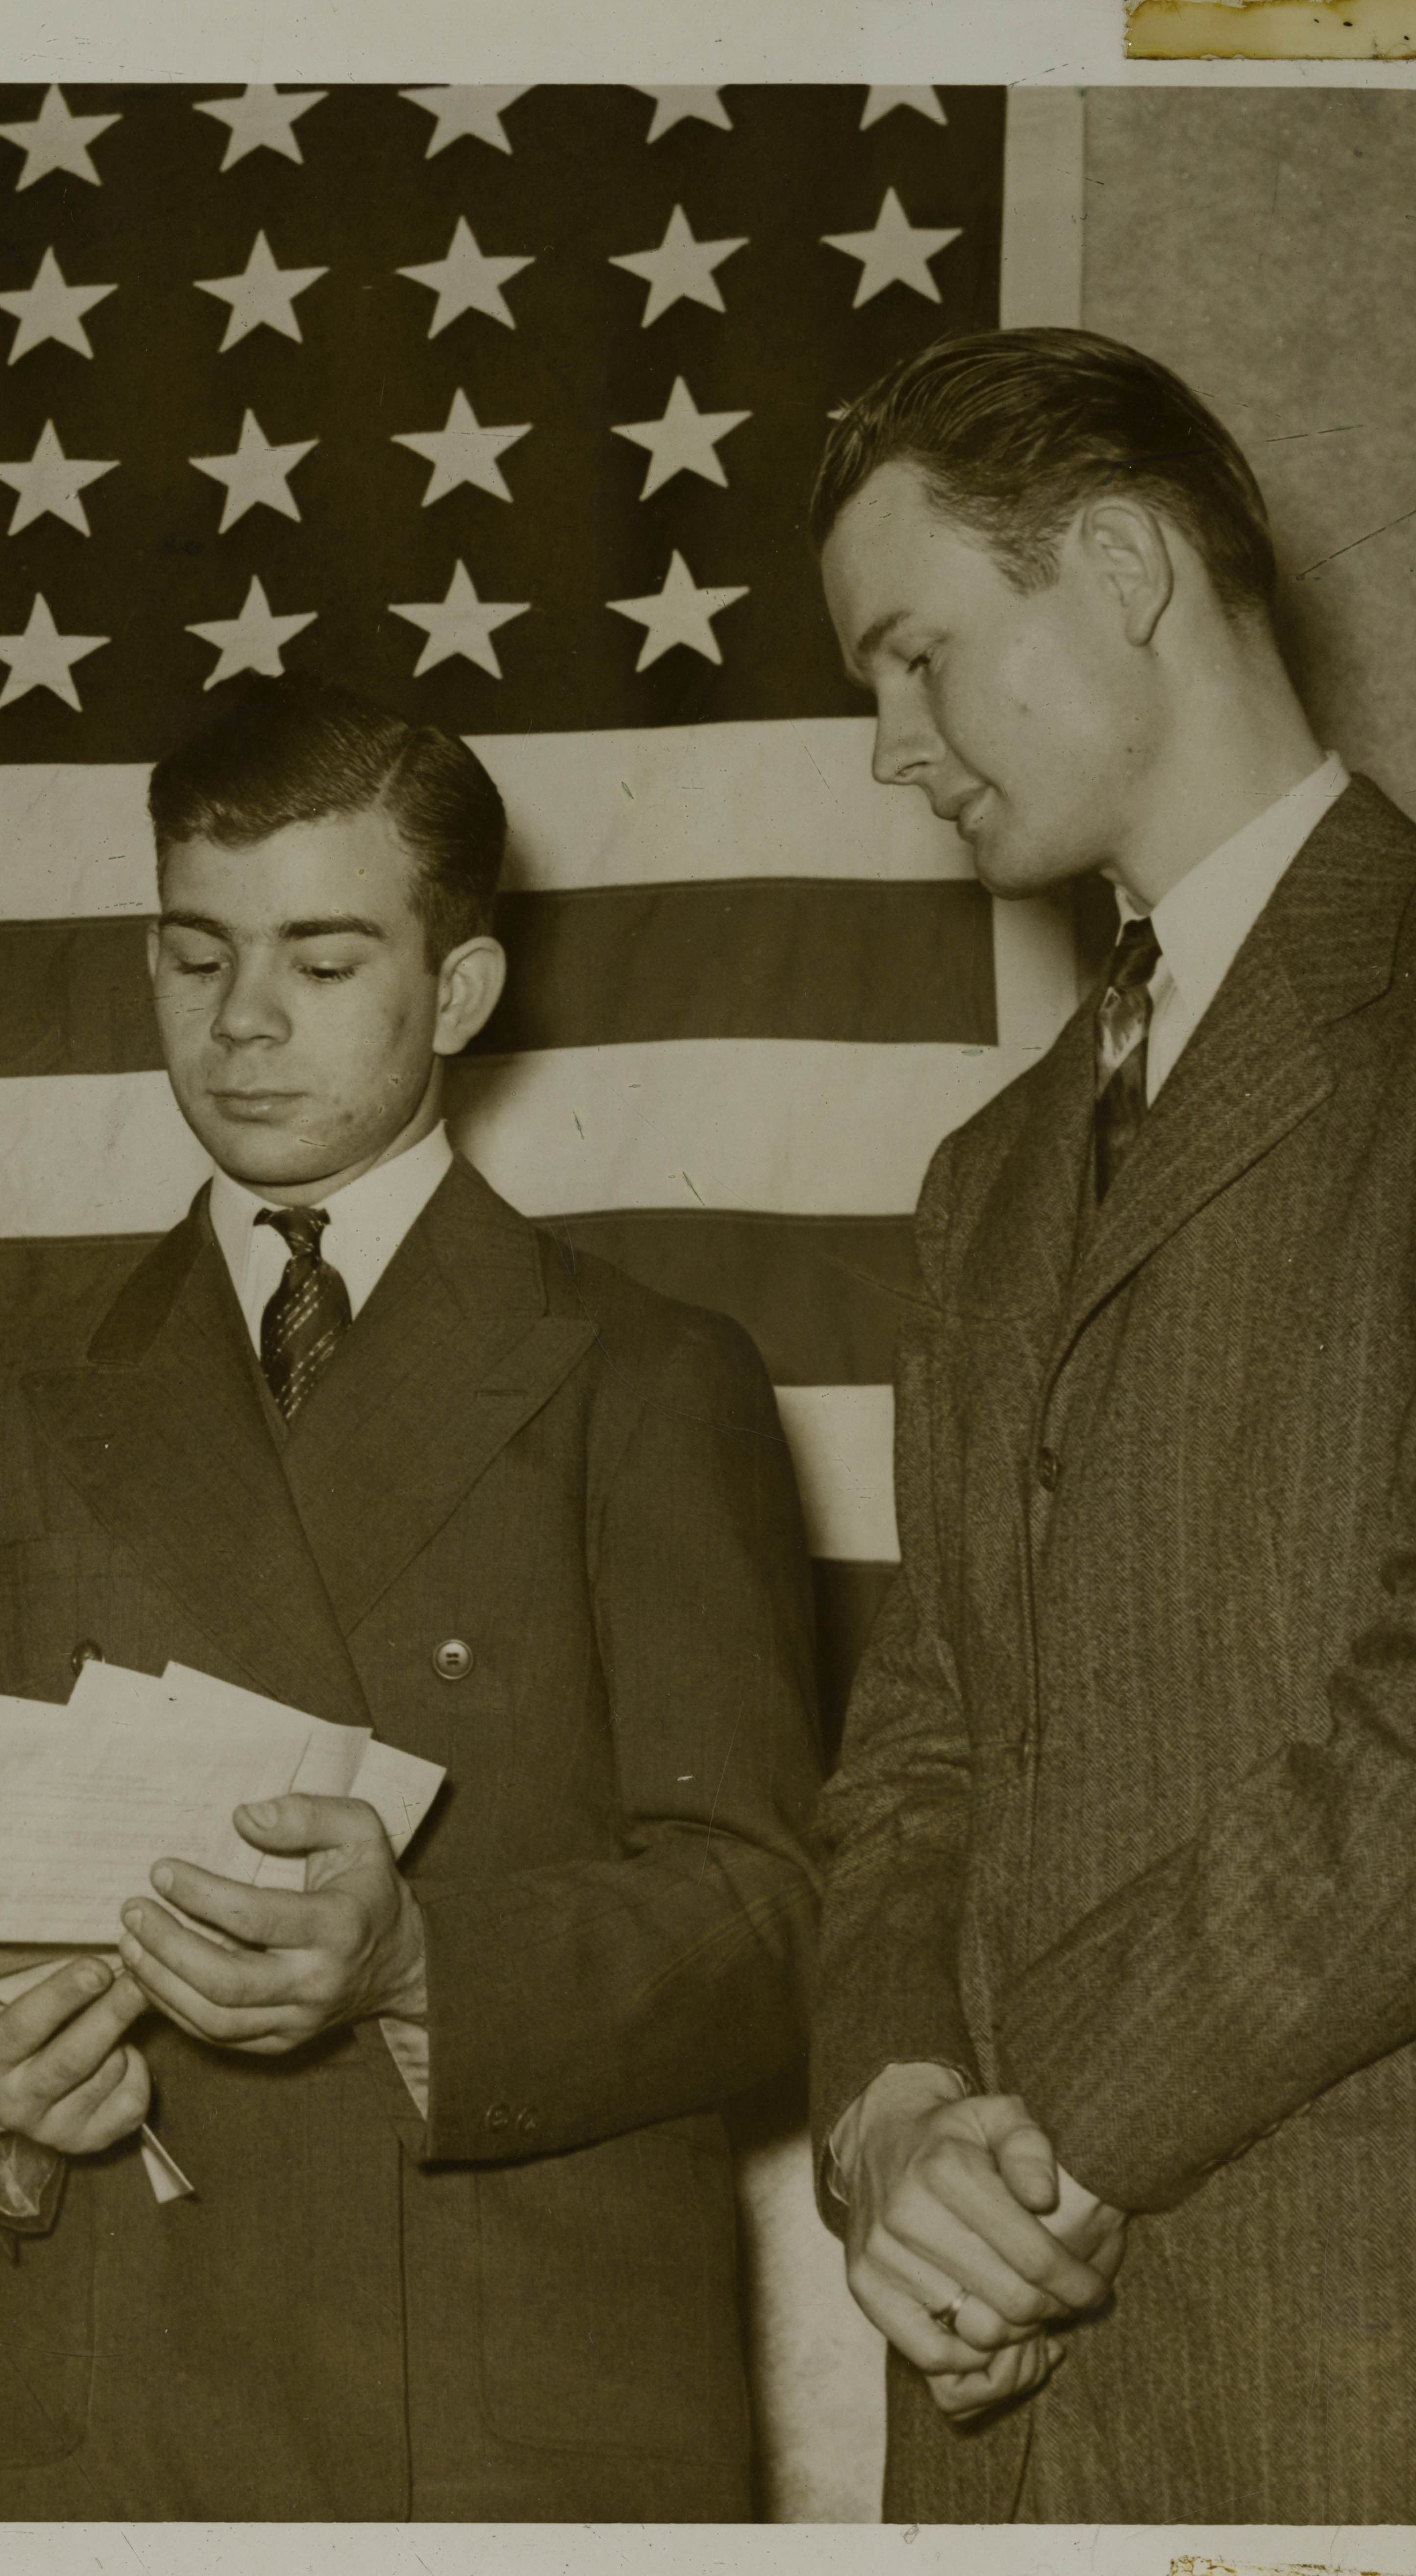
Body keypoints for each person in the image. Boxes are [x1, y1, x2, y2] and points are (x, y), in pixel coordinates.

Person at [0, 677, 826, 2518]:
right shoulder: (11, 1404)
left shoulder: (645, 1374)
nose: (244, 1022)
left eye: (321, 956)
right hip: (138, 2399)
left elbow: (767, 1923)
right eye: (193, 953)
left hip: (506, 2418)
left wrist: (421, 1962)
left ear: (457, 989)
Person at [810, 325, 1416, 2521]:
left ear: (1121, 566)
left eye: (913, 658)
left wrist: (1021, 2128)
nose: (889, 750)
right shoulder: (982, 1179)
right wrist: (885, 2117)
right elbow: (915, 1754)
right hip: (987, 2431)